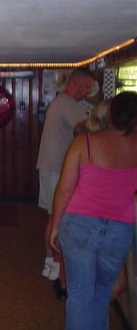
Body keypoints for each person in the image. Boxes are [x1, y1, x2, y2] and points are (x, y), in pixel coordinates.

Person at [49, 91, 137, 330]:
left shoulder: (85, 143)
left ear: (110, 115)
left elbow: (64, 189)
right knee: (101, 294)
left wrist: (53, 225)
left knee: (80, 295)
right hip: (119, 230)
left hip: (81, 226)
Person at [36, 68, 95, 288]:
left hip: (51, 166)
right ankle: (58, 271)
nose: (88, 92)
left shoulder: (62, 102)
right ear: (76, 84)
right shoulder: (68, 104)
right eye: (87, 87)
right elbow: (90, 131)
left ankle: (51, 265)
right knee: (58, 220)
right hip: (57, 168)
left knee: (53, 217)